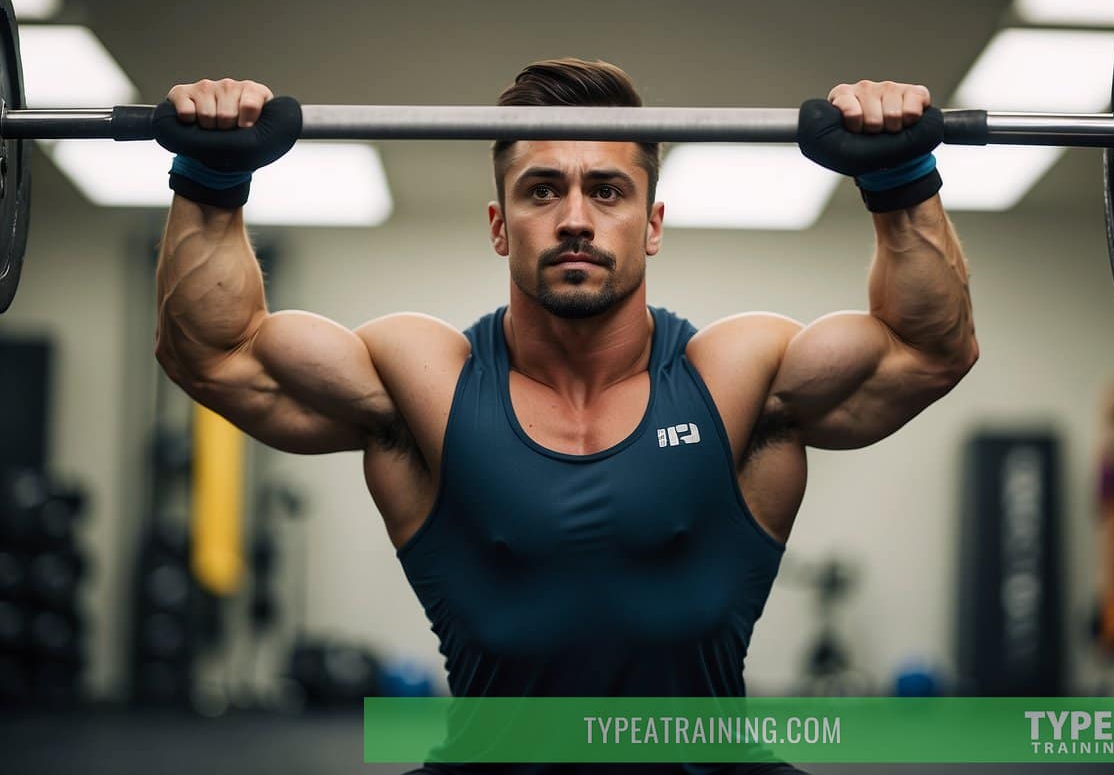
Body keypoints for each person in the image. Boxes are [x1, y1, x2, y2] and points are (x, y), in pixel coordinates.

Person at [153, 58, 978, 773]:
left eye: (608, 190)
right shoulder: (423, 381)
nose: (576, 218)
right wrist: (211, 178)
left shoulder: (738, 377)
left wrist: (899, 181)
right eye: (541, 190)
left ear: (651, 225)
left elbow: (926, 349)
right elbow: (218, 354)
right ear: (499, 226)